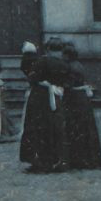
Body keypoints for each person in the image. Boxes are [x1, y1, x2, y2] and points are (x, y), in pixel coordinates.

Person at [18, 41, 70, 173]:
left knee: (37, 129)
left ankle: (40, 162)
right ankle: (56, 160)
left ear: (48, 49)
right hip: (56, 99)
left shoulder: (43, 62)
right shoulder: (64, 64)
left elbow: (32, 78)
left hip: (40, 98)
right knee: (55, 129)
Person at [60, 42, 101, 170]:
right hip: (82, 99)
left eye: (64, 55)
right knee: (85, 129)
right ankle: (89, 158)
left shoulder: (70, 67)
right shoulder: (79, 65)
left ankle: (78, 159)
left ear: (67, 56)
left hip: (74, 99)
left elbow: (68, 84)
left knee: (75, 129)